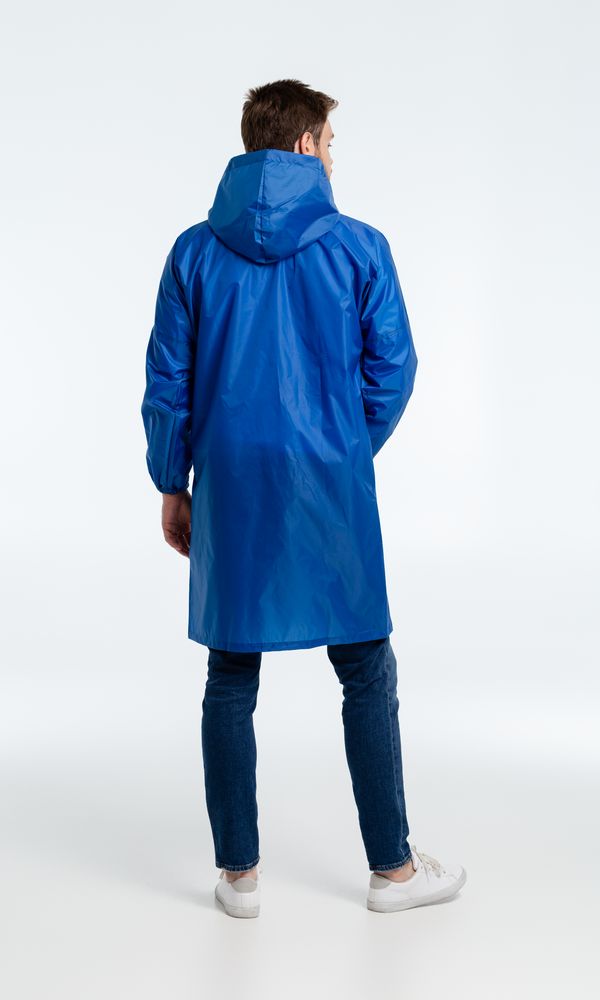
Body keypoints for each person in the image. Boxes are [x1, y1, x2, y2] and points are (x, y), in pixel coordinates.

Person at [141, 79, 467, 917]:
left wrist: (172, 481)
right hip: (328, 481)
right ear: (300, 145)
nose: (330, 158)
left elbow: (168, 381)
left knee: (230, 671)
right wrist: (342, 447)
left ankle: (238, 878)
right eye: (327, 143)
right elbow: (393, 367)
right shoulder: (359, 246)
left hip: (229, 479)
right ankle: (393, 873)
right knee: (365, 666)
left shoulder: (192, 252)